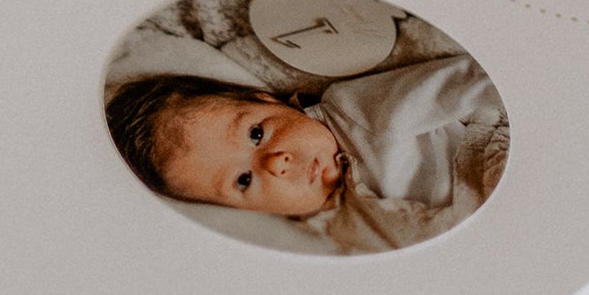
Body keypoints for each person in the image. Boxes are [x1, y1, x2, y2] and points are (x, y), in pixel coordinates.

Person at [106, 54, 508, 252]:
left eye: (257, 132)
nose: (276, 163)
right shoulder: (322, 232)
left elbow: (469, 82)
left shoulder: (359, 113)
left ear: (266, 99)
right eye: (244, 180)